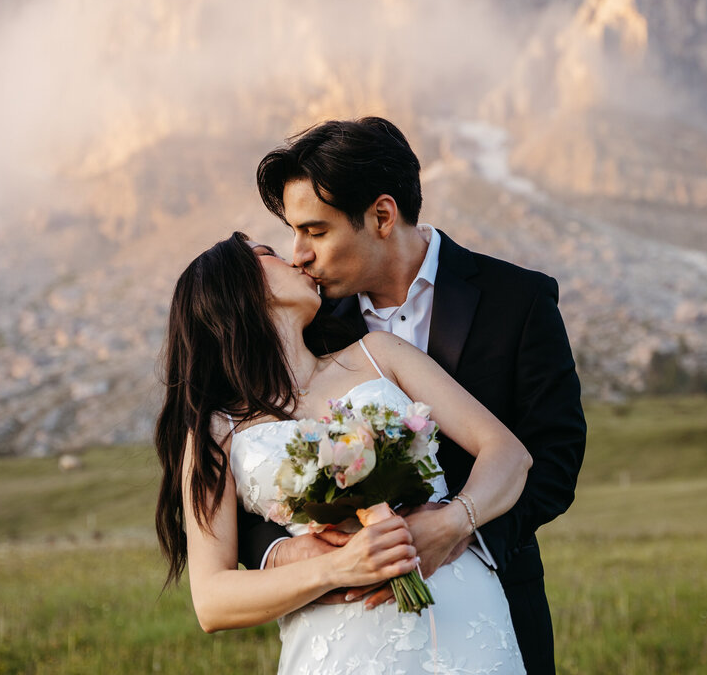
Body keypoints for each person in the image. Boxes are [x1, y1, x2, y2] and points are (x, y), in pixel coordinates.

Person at [242, 117, 586, 674]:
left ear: (382, 215)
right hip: (351, 626)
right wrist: (287, 552)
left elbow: (555, 456)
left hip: (490, 613)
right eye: (294, 232)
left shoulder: (516, 300)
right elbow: (253, 462)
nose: (298, 253)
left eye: (316, 231)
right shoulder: (305, 324)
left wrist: (457, 528)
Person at [155, 231, 533, 673]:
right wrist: (338, 567)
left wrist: (453, 520)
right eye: (268, 255)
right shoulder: (213, 430)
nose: (296, 259)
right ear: (232, 290)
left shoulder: (380, 355)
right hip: (342, 647)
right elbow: (212, 602)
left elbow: (508, 453)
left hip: (464, 617)